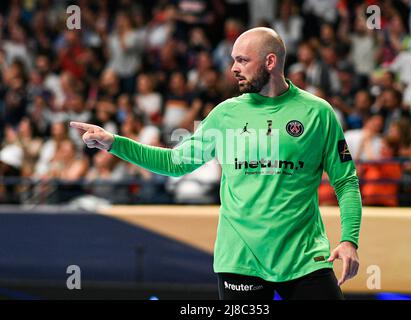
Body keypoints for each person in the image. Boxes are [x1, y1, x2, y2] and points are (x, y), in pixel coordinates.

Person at [70, 27, 362, 300]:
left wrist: (349, 240)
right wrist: (114, 143)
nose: (233, 68)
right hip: (240, 260)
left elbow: (345, 180)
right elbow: (175, 162)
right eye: (234, 60)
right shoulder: (225, 115)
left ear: (270, 62)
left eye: (243, 60)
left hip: (304, 259)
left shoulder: (317, 113)